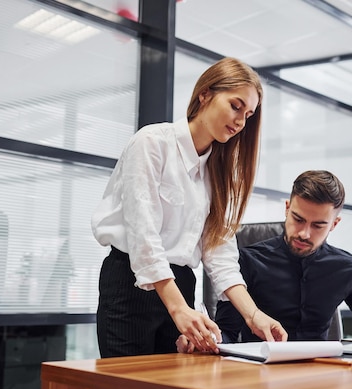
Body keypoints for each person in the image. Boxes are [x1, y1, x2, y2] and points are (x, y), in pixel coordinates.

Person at [91, 57, 287, 357]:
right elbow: (143, 234)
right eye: (236, 106)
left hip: (180, 286)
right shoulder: (152, 143)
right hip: (130, 285)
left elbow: (219, 253)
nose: (240, 121)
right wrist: (178, 308)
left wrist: (253, 315)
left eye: (248, 114)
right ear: (205, 94)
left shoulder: (219, 172)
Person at [177, 170, 352, 353]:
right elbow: (228, 332)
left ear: (335, 224)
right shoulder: (247, 262)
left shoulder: (348, 269)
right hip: (258, 376)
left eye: (318, 225)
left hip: (324, 374)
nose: (304, 233)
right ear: (287, 208)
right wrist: (207, 340)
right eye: (298, 219)